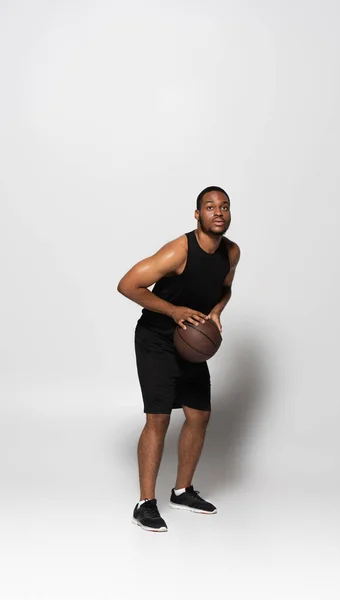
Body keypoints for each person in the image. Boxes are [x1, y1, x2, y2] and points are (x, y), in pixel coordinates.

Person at [117, 186, 240, 532]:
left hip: (189, 340)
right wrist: (173, 311)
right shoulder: (178, 251)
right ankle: (145, 503)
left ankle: (182, 491)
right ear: (197, 214)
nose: (218, 212)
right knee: (158, 419)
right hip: (156, 339)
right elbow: (127, 285)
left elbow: (226, 287)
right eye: (210, 207)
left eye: (225, 207)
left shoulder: (231, 252)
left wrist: (215, 311)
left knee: (199, 415)